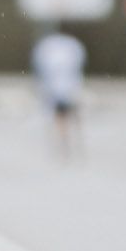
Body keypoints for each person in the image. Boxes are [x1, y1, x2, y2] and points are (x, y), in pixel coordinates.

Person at [31, 27, 86, 158]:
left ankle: (64, 144)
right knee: (72, 114)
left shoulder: (47, 48)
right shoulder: (73, 46)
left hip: (56, 87)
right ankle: (75, 142)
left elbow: (40, 67)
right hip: (70, 87)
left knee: (61, 116)